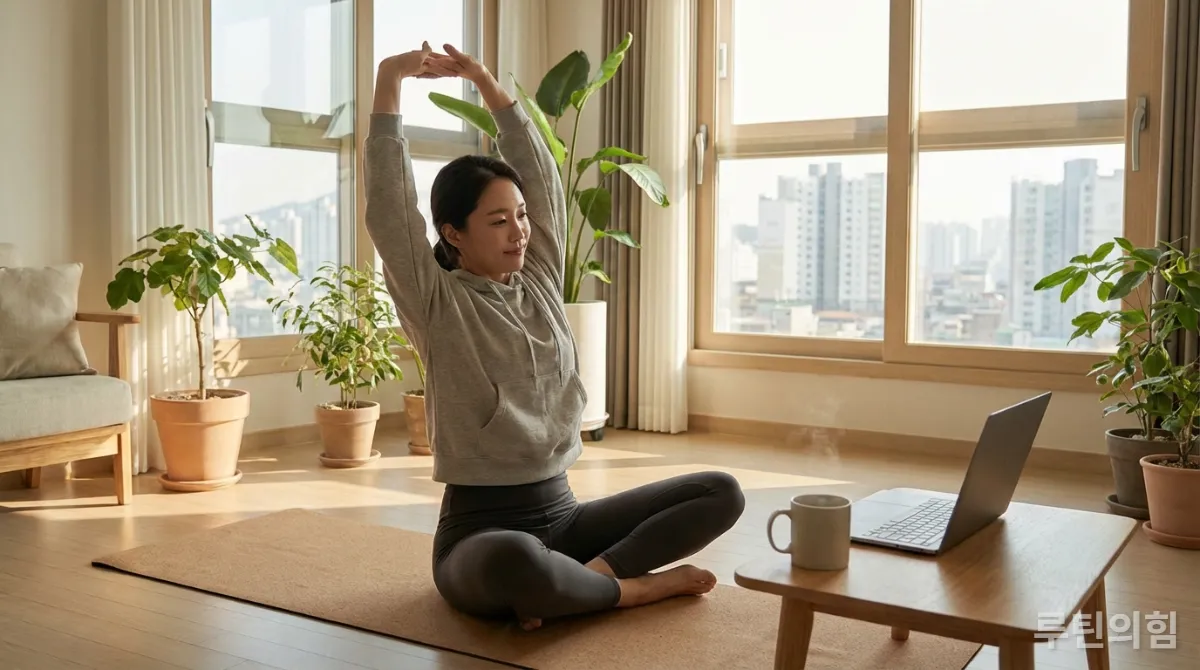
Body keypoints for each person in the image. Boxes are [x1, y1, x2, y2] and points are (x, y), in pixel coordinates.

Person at [365, 41, 746, 631]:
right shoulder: (437, 301)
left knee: (720, 491)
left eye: (520, 215)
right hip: (481, 533)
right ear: (454, 234)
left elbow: (541, 178)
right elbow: (390, 208)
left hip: (566, 519)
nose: (519, 230)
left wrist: (488, 84)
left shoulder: (538, 274)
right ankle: (628, 590)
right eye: (498, 221)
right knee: (515, 558)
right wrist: (389, 80)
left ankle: (585, 580)